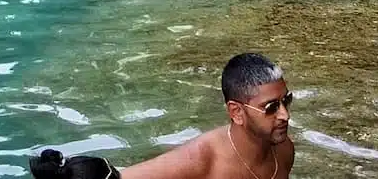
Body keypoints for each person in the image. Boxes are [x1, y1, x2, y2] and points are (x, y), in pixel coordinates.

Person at [110, 53, 295, 179]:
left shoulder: (284, 150)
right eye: (271, 107)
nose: (284, 115)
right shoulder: (201, 160)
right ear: (236, 112)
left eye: (286, 100)